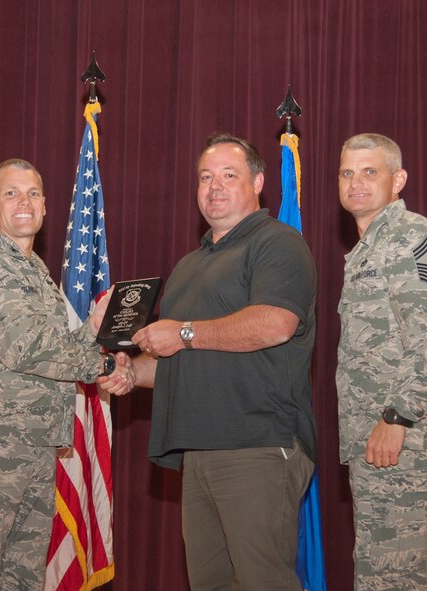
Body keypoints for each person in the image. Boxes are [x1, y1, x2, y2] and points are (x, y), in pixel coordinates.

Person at [0, 158, 134, 590]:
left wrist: (94, 329)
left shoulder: (38, 276)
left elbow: (56, 356)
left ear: (44, 206)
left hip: (37, 449)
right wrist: (105, 365)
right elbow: (27, 349)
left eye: (34, 194)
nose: (24, 202)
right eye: (11, 193)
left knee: (22, 581)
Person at [129, 133, 318, 591]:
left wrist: (184, 332)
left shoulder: (278, 243)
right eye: (205, 177)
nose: (214, 186)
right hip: (198, 450)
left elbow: (274, 325)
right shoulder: (188, 265)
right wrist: (130, 372)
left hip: (257, 443)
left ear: (257, 182)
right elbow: (181, 360)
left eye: (229, 176)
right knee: (210, 584)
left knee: (262, 583)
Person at [335, 133, 427, 590]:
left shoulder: (414, 237)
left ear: (398, 180)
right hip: (377, 443)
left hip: (410, 439)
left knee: (400, 578)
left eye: (370, 172)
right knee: (380, 576)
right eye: (347, 173)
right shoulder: (367, 249)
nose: (356, 183)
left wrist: (398, 415)